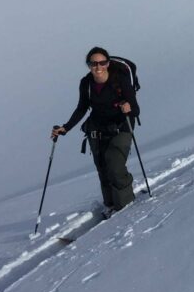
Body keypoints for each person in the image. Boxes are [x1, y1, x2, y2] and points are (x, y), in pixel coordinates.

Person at [51, 47, 139, 218]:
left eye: (102, 63)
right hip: (97, 129)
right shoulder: (86, 83)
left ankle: (125, 206)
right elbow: (82, 107)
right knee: (102, 168)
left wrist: (128, 108)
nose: (98, 67)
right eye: (93, 63)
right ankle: (110, 204)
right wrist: (66, 127)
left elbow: (135, 110)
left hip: (121, 126)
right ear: (88, 65)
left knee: (115, 165)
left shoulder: (120, 79)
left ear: (107, 63)